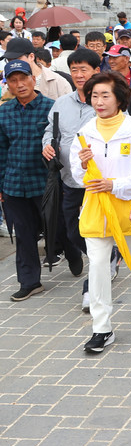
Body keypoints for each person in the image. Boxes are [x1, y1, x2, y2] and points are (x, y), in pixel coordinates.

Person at [70, 72, 131, 353]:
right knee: (99, 266)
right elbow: (76, 174)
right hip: (95, 209)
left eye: (105, 95)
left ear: (119, 98)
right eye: (94, 96)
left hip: (129, 208)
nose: (99, 101)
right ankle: (101, 327)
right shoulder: (84, 134)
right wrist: (82, 167)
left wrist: (114, 184)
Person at [42, 48, 100, 309]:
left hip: (98, 182)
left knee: (95, 232)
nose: (78, 74)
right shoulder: (61, 103)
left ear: (95, 72)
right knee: (72, 232)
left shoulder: (106, 101)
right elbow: (49, 130)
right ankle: (106, 256)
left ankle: (93, 287)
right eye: (74, 69)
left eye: (83, 69)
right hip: (68, 179)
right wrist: (47, 145)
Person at [0, 60, 54, 300]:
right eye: (13, 80)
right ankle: (30, 281)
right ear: (7, 84)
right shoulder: (3, 112)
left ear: (34, 79)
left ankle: (72, 254)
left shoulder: (51, 108)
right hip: (14, 184)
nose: (19, 84)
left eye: (24, 78)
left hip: (44, 183)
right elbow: (1, 151)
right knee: (23, 234)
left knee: (57, 229)